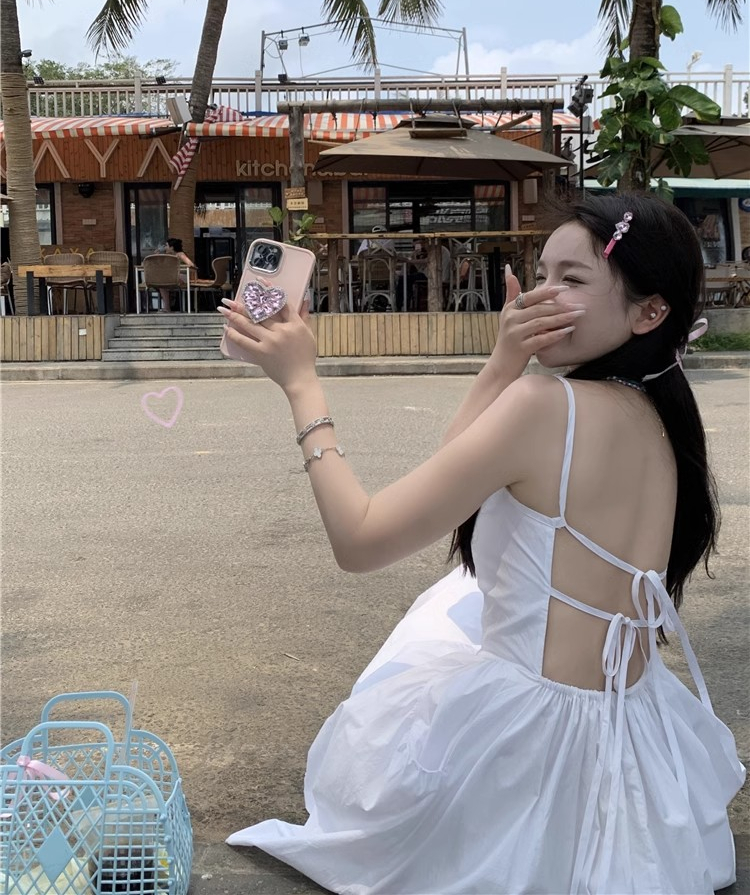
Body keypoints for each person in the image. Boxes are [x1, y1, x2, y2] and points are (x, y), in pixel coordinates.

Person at [218, 193, 744, 894]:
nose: (540, 296)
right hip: (632, 746)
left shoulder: (544, 408)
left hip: (527, 756)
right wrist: (505, 359)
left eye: (573, 280)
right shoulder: (661, 408)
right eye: (541, 273)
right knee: (453, 603)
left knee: (431, 631)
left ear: (649, 312)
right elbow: (459, 472)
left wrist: (301, 385)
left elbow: (362, 540)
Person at [159, 237, 196, 312]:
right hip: (176, 277)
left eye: (166, 245)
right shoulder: (170, 256)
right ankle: (167, 307)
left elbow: (192, 265)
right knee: (162, 284)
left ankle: (167, 307)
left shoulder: (180, 254)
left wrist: (179, 269)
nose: (165, 247)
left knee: (162, 283)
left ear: (171, 247)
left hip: (184, 277)